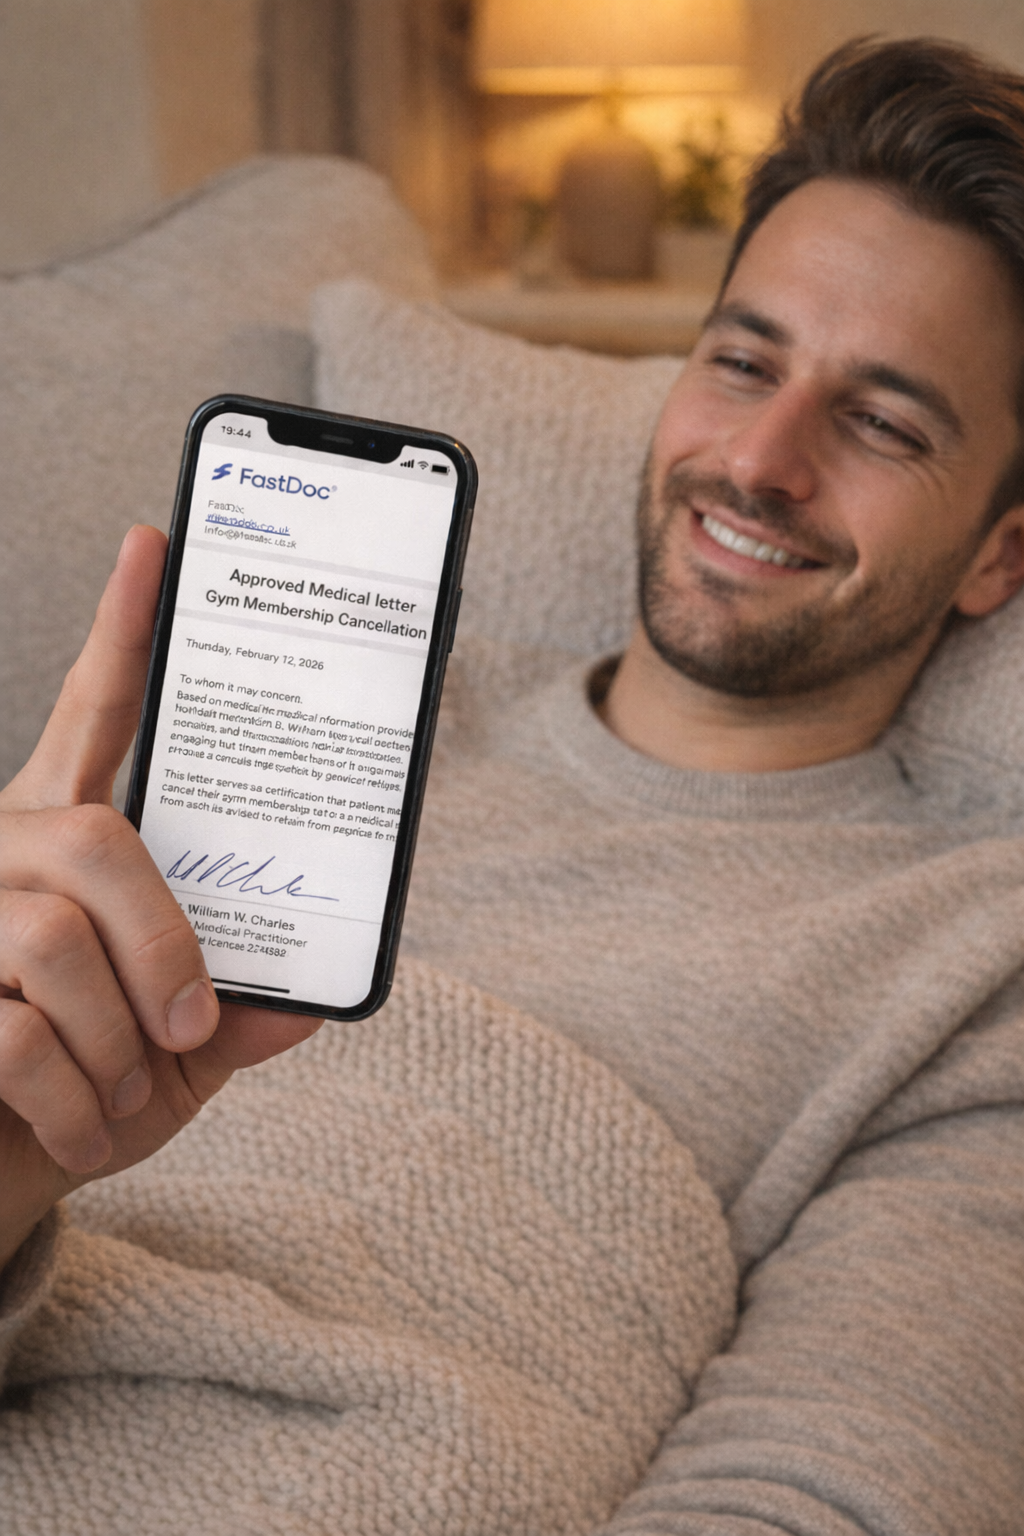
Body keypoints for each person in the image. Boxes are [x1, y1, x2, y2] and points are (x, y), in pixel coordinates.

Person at [5, 33, 1024, 1533]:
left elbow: (832, 1493)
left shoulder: (968, 957)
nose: (760, 459)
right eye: (741, 361)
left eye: (880, 422)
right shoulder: (315, 717)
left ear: (1002, 549)